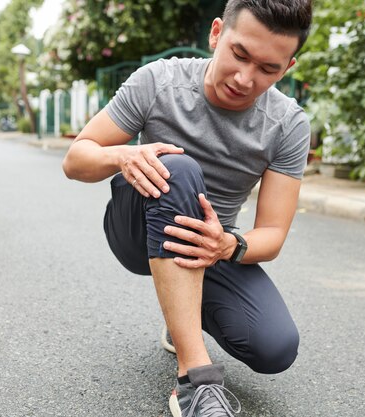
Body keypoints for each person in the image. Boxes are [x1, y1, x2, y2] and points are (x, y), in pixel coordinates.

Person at [63, 0, 313, 415]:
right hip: (136, 229)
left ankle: (182, 312)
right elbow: (77, 159)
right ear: (216, 34)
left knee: (275, 347)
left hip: (206, 247)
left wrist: (228, 245)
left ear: (287, 68)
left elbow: (272, 234)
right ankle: (195, 382)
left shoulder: (287, 125)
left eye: (268, 69)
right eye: (239, 54)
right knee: (177, 168)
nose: (245, 78)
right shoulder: (159, 81)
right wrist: (123, 156)